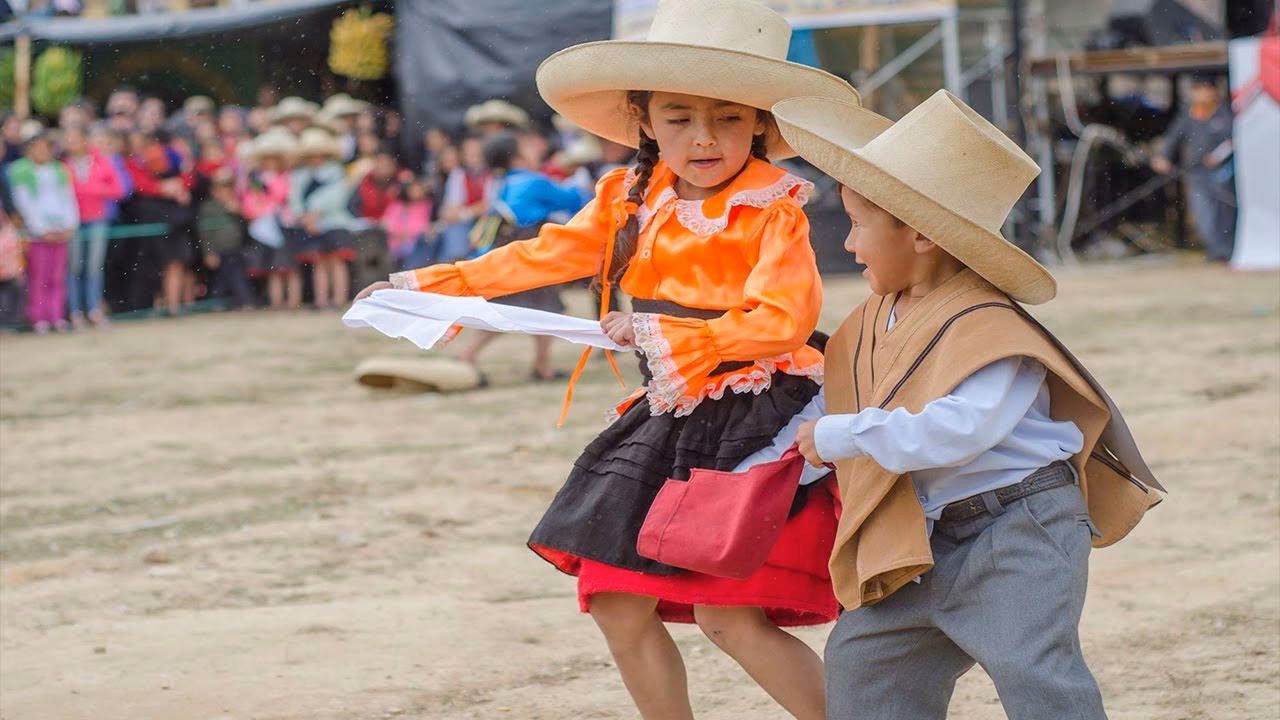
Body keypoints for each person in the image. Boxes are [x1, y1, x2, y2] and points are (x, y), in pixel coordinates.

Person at [355, 1, 861, 717]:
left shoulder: (771, 207)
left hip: (752, 415)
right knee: (620, 605)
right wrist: (425, 286)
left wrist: (664, 334)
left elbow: (783, 321)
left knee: (729, 616)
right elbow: (543, 254)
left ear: (760, 124)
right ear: (645, 119)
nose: (704, 136)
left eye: (727, 116)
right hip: (670, 408)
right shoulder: (629, 195)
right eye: (679, 115)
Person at [762, 91, 1163, 720]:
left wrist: (844, 436)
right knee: (865, 665)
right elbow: (835, 402)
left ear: (920, 233)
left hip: (1018, 528)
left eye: (859, 224)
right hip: (921, 535)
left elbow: (960, 430)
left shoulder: (991, 326)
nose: (847, 244)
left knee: (1035, 675)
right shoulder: (869, 322)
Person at [450, 130, 586, 381]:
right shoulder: (533, 181)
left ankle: (536, 363)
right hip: (528, 253)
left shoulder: (502, 183)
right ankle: (536, 365)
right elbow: (573, 199)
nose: (535, 149)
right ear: (517, 156)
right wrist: (581, 181)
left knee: (522, 308)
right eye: (528, 146)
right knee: (542, 308)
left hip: (505, 254)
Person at [1152, 74, 1237, 262]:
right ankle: (1215, 251)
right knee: (1202, 213)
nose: (1200, 94)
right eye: (1197, 90)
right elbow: (1172, 138)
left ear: (1214, 91)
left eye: (1204, 89)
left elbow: (1235, 139)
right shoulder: (1188, 115)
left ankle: (1228, 251)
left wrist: (1219, 155)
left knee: (1225, 212)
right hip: (1195, 173)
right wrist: (1163, 157)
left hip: (1223, 172)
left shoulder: (1225, 114)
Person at [7, 131, 79, 332]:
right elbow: (24, 203)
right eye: (37, 147)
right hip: (38, 233)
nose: (42, 151)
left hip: (60, 230)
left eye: (45, 147)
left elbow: (68, 198)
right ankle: (38, 317)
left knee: (56, 276)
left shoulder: (59, 170)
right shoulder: (20, 170)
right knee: (38, 277)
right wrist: (40, 229)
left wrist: (69, 224)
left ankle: (55, 315)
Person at [62, 125, 124, 329]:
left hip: (97, 218)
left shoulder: (100, 162)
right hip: (72, 220)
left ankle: (94, 309)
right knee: (74, 267)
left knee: (93, 266)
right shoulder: (63, 165)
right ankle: (76, 311)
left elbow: (118, 189)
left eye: (75, 139)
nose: (71, 144)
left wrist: (90, 190)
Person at [290, 128, 355, 310]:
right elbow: (294, 198)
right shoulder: (300, 175)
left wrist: (316, 214)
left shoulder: (335, 172)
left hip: (334, 222)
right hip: (310, 224)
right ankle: (321, 301)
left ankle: (339, 300)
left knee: (336, 261)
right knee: (318, 262)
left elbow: (338, 197)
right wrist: (303, 217)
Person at [197, 169, 253, 311]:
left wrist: (239, 213)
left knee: (238, 277)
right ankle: (216, 303)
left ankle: (245, 302)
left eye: (228, 187)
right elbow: (205, 233)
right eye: (221, 188)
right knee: (220, 279)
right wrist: (208, 252)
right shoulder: (208, 208)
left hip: (235, 248)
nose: (225, 191)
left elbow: (245, 228)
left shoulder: (238, 204)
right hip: (218, 250)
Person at [435, 135, 491, 264]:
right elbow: (450, 209)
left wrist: (465, 212)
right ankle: (455, 263)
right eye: (468, 152)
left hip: (488, 220)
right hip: (464, 222)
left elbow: (489, 205)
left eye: (476, 152)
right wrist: (469, 212)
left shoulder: (493, 173)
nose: (472, 156)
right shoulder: (458, 174)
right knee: (453, 229)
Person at [381, 175, 432, 271]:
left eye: (419, 189)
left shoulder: (425, 205)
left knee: (412, 258)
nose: (416, 192)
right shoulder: (396, 205)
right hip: (394, 241)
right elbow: (387, 222)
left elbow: (423, 225)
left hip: (413, 242)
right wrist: (396, 232)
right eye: (413, 189)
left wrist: (408, 233)